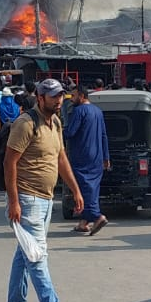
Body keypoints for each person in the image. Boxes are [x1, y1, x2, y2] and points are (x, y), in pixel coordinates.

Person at [4, 78, 83, 302]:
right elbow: (9, 163)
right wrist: (14, 201)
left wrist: (75, 190)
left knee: (25, 253)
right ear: (39, 97)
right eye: (52, 96)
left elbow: (60, 158)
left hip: (47, 199)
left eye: (60, 95)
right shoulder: (25, 124)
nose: (58, 100)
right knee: (37, 256)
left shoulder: (56, 123)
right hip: (28, 200)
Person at [63, 87, 110, 234]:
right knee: (92, 189)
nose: (71, 99)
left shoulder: (78, 111)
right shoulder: (98, 111)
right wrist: (106, 157)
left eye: (74, 96)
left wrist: (59, 129)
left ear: (82, 96)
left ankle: (97, 216)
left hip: (82, 155)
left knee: (84, 188)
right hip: (97, 155)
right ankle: (83, 222)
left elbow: (70, 132)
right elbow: (103, 135)